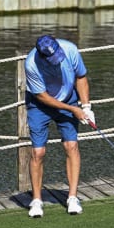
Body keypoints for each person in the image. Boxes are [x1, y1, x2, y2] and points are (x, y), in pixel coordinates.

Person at [24, 34, 95, 218]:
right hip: (40, 105)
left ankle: (72, 198)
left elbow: (81, 76)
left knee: (71, 145)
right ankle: (37, 200)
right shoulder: (31, 63)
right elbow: (42, 96)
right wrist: (73, 109)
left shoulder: (70, 50)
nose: (56, 61)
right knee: (38, 152)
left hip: (69, 97)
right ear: (42, 57)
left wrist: (86, 107)